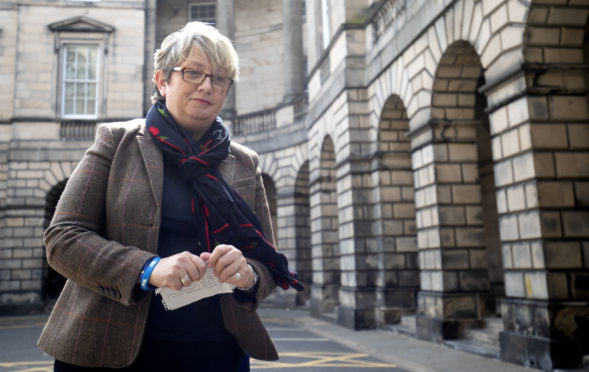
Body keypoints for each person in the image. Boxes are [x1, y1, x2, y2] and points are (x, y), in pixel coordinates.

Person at [38, 21, 302, 371]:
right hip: (110, 348)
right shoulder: (117, 143)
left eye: (220, 78)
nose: (207, 85)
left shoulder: (243, 162)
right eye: (193, 72)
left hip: (216, 352)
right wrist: (149, 268)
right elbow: (63, 239)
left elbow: (266, 264)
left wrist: (246, 275)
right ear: (163, 81)